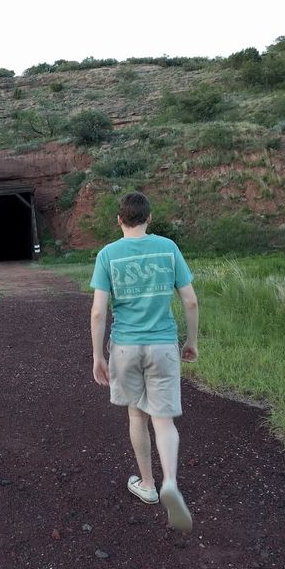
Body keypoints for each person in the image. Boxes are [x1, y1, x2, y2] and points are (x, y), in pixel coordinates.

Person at [89, 191, 198, 532]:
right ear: (149, 218)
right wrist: (191, 341)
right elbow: (190, 301)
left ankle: (148, 485)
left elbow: (98, 312)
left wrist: (97, 355)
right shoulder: (168, 248)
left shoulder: (108, 255)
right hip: (163, 344)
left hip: (125, 346)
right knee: (164, 420)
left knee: (137, 415)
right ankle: (171, 483)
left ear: (119, 220)